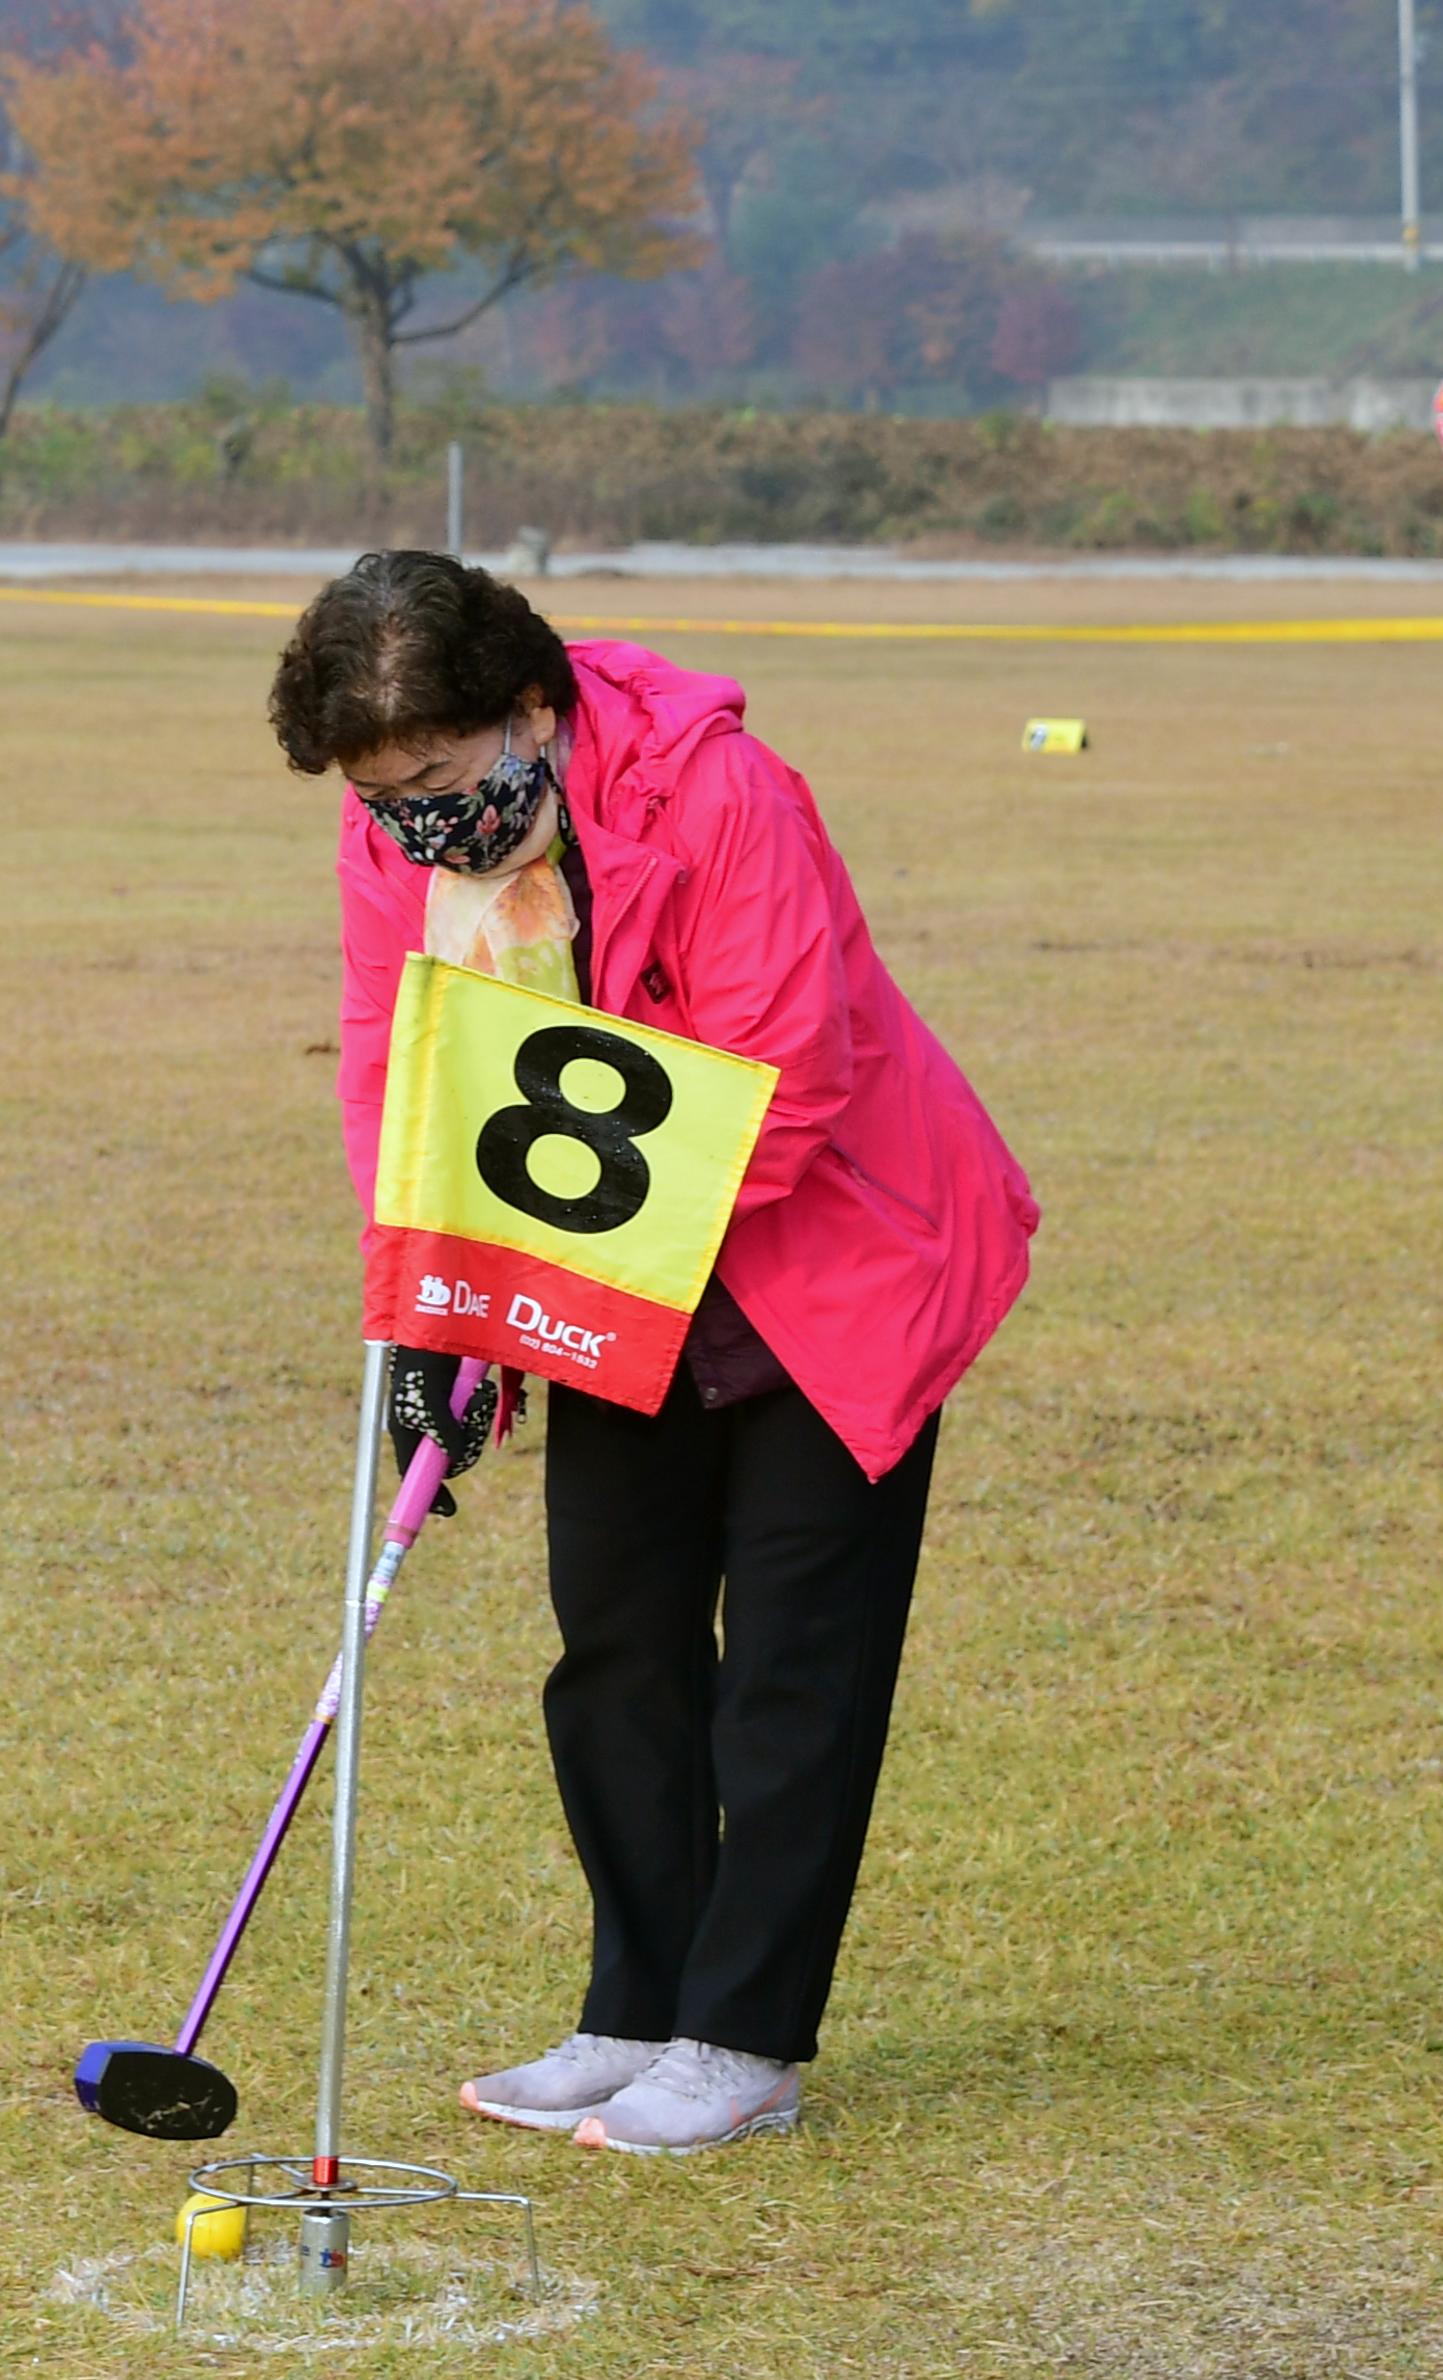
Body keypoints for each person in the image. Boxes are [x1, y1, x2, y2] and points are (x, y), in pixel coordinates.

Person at [271, 552, 1039, 2156]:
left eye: (439, 779)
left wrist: (544, 1284)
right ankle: (635, 2006)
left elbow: (792, 1079)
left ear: (532, 710)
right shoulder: (391, 842)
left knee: (790, 1668)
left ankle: (746, 2037)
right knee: (613, 1641)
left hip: (836, 1254)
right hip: (617, 1264)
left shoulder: (724, 795)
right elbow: (395, 1065)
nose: (416, 823)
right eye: (381, 794)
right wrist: (426, 1307)